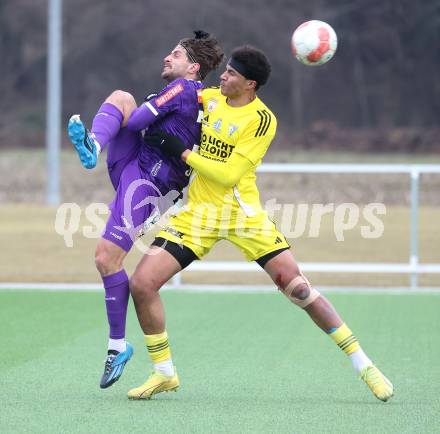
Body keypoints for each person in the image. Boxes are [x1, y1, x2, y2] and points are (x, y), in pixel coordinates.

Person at [125, 45, 394, 402]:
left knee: (298, 289)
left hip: (243, 216)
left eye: (232, 73)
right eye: (225, 71)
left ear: (250, 84)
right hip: (198, 215)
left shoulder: (262, 120)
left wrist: (181, 150)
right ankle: (164, 373)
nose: (222, 75)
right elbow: (180, 97)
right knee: (142, 283)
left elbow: (229, 174)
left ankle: (365, 365)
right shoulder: (209, 98)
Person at [66, 31, 224, 389]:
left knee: (107, 259)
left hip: (147, 185)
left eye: (176, 54)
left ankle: (116, 347)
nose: (168, 57)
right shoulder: (196, 97)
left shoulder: (184, 89)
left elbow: (137, 123)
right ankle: (93, 145)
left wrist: (150, 123)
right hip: (136, 164)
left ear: (193, 67)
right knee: (121, 97)